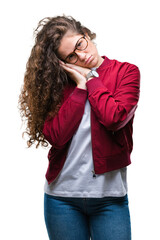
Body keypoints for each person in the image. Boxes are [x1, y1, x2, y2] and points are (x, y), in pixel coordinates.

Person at [19, 15, 140, 240]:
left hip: (110, 198)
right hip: (61, 199)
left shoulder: (126, 72)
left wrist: (92, 79)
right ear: (63, 62)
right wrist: (80, 86)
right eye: (71, 56)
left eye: (80, 45)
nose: (82, 57)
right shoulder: (58, 85)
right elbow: (57, 137)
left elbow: (114, 118)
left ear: (85, 34)